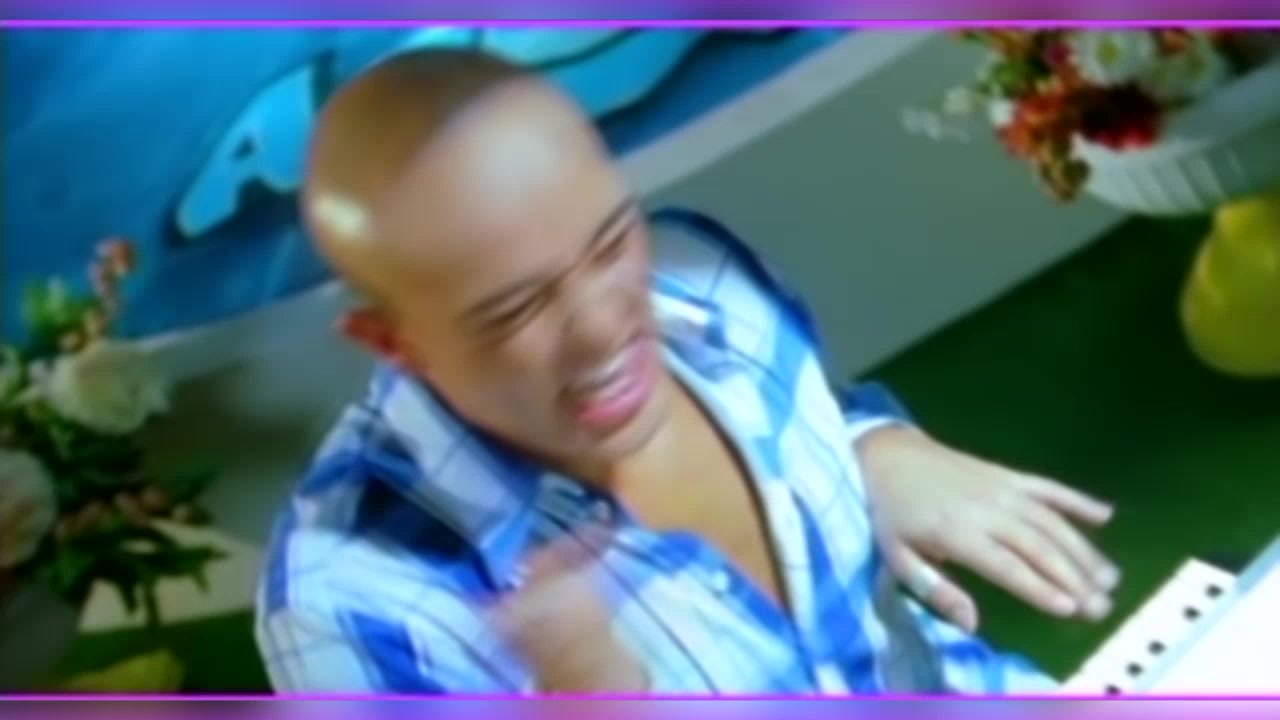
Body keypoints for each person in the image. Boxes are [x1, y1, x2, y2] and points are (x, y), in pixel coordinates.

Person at [255, 48, 1121, 695]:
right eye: (517, 310)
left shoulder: (701, 271)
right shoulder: (351, 609)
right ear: (392, 341)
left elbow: (821, 412)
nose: (608, 329)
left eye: (609, 243)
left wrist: (877, 449)